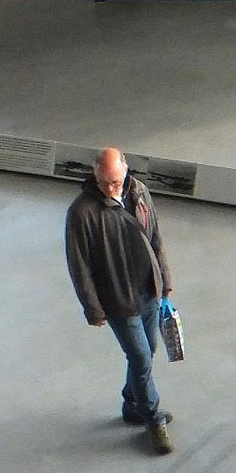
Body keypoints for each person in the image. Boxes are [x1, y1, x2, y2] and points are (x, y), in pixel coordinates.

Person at [65, 147, 176, 454]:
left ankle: (133, 404)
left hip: (148, 290)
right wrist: (93, 307)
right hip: (117, 300)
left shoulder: (140, 192)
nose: (111, 188)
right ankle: (152, 418)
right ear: (95, 177)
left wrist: (164, 280)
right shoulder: (82, 212)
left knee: (148, 350)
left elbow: (156, 239)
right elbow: (80, 265)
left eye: (115, 182)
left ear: (126, 171)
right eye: (105, 183)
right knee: (140, 356)